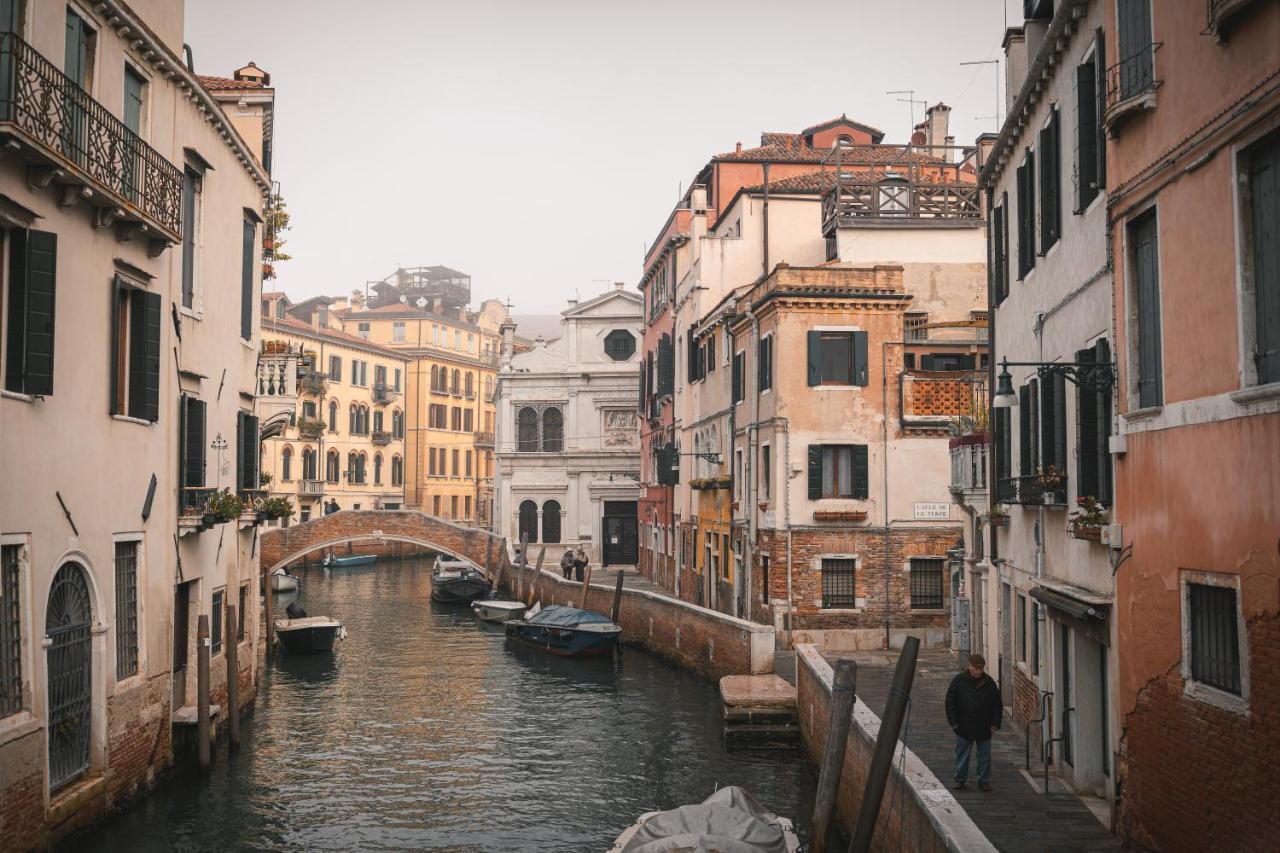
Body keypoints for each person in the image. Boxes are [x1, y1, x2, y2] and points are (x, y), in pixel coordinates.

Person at [945, 653, 1002, 792]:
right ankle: (959, 779)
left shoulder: (989, 683)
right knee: (962, 755)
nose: (978, 672)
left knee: (984, 756)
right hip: (963, 725)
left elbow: (997, 705)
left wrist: (995, 723)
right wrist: (953, 722)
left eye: (980, 669)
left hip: (984, 725)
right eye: (976, 668)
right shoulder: (958, 681)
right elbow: (950, 702)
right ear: (969, 666)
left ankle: (984, 781)